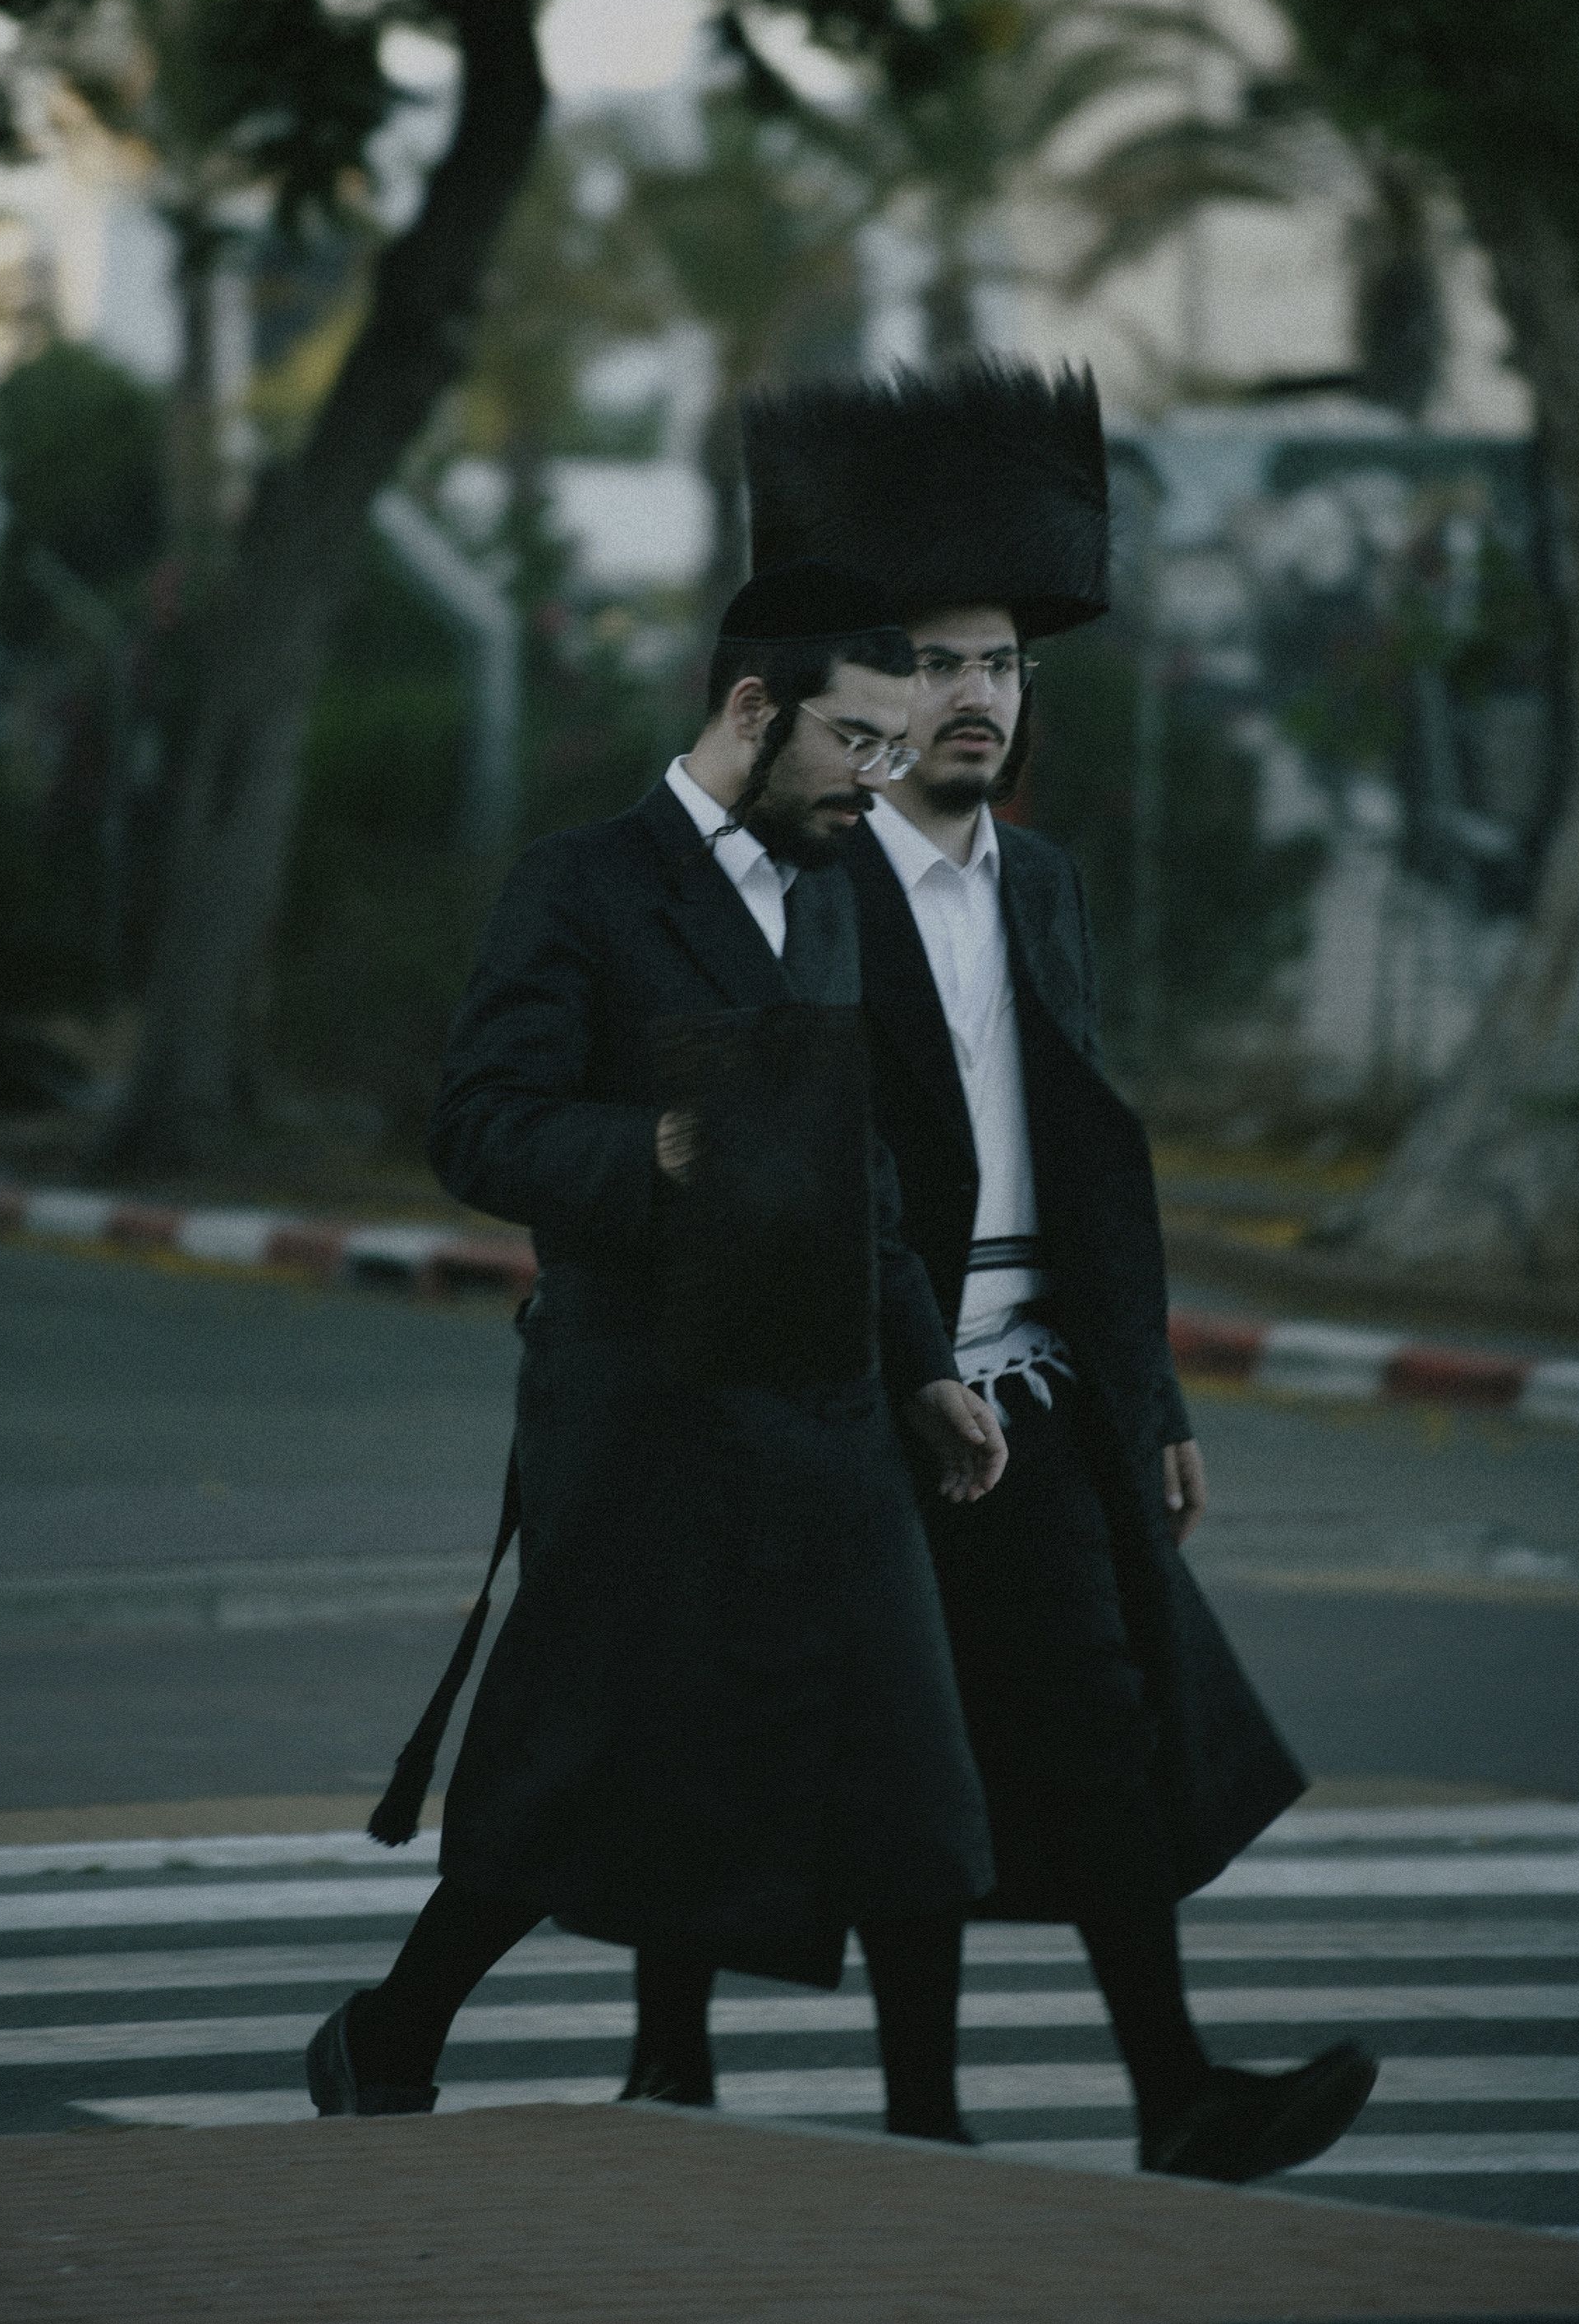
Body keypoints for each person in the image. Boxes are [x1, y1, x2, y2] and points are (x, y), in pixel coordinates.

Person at [625, 360, 1378, 2184]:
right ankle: (837, 2101)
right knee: (849, 1758)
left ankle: (1175, 2097)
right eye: (935, 663)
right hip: (846, 1396)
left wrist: (1150, 1394)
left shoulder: (1037, 887)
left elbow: (1087, 1163)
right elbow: (807, 1177)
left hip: (1031, 1396)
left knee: (1101, 1737)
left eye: (1003, 665)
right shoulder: (790, 883)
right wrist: (901, 1365)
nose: (976, 695)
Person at [308, 560, 1007, 2141]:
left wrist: (925, 1365)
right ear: (754, 709)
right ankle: (392, 2032)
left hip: (827, 1405)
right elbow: (479, 1126)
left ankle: (930, 2126)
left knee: (908, 1761)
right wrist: (658, 1150)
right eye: (856, 741)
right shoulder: (585, 884)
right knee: (583, 1761)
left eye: (897, 749)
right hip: (644, 1412)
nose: (877, 780)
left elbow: (860, 1168)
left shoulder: (833, 892)